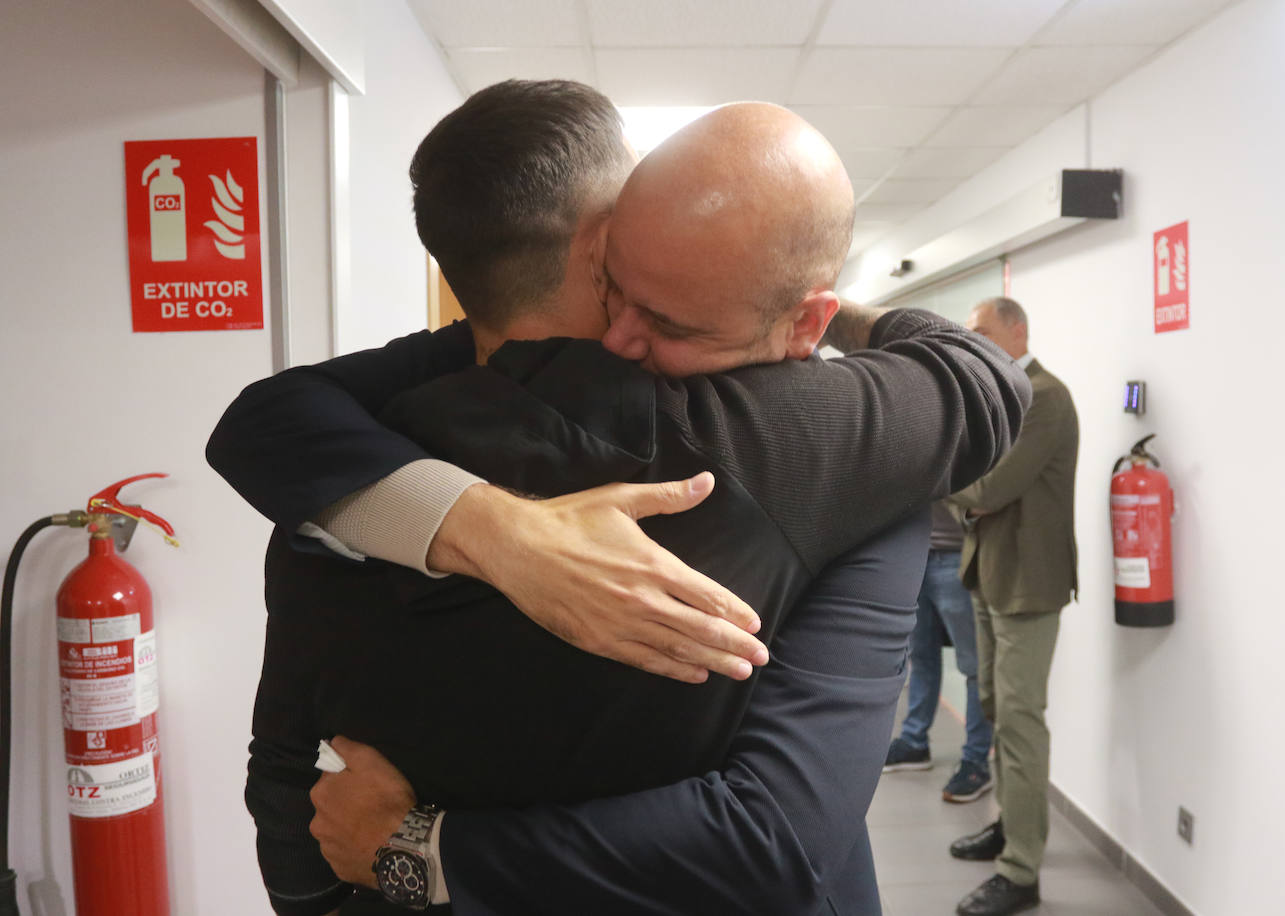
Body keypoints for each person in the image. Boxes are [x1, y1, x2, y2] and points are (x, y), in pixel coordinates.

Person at [208, 82, 1031, 915]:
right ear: (603, 243)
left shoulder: (344, 474)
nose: (634, 338)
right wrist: (498, 533)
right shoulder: (822, 449)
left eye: (673, 322)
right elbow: (985, 382)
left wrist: (405, 856)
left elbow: (287, 780)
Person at [944, 297, 1079, 916]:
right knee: (996, 707)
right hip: (989, 575)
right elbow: (980, 485)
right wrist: (966, 492)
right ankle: (1011, 826)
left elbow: (993, 486)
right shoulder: (1004, 394)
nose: (972, 340)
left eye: (981, 331)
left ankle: (1021, 870)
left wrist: (943, 482)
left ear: (1017, 329)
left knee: (1021, 720)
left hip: (1029, 584)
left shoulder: (1044, 396)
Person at [883, 497, 994, 803]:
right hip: (914, 555)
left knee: (974, 665)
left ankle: (976, 760)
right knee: (920, 657)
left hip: (958, 556)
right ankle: (914, 742)